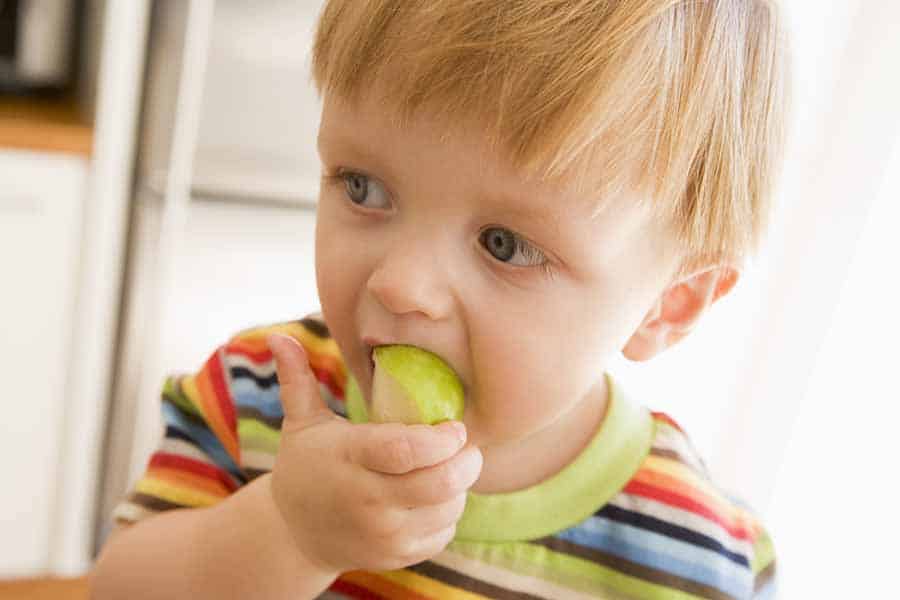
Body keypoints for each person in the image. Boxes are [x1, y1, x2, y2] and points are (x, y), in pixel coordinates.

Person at [90, 0, 790, 598]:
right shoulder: (257, 397)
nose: (400, 284)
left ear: (667, 304)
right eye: (363, 187)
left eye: (505, 244)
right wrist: (286, 532)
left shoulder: (695, 559)